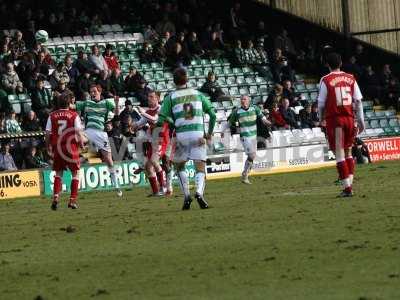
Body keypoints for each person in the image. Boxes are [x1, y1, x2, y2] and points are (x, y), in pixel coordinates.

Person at [157, 68, 216, 210]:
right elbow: (213, 115)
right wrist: (209, 133)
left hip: (182, 135)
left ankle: (187, 196)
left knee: (180, 166)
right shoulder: (198, 94)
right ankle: (199, 193)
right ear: (187, 79)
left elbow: (160, 120)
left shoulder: (170, 97)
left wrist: (174, 122)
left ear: (174, 81)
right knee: (200, 167)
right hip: (198, 134)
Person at [318, 52, 365, 197]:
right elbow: (358, 101)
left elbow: (320, 103)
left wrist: (321, 118)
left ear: (327, 64)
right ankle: (349, 184)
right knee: (348, 152)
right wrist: (361, 121)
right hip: (350, 119)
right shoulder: (351, 78)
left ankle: (347, 189)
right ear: (341, 63)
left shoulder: (325, 79)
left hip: (335, 120)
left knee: (339, 153)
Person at [75, 84, 122, 197]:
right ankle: (74, 180)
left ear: (100, 92)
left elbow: (116, 113)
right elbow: (73, 106)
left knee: (108, 159)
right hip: (89, 131)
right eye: (91, 92)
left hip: (101, 133)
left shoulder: (106, 103)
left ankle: (116, 185)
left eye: (95, 91)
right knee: (76, 142)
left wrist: (116, 103)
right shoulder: (86, 103)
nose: (93, 93)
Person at [45, 92, 86, 210]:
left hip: (57, 147)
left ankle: (56, 198)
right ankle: (72, 200)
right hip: (70, 146)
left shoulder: (51, 115)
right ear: (69, 103)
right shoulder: (74, 115)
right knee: (75, 173)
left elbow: (47, 133)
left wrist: (48, 146)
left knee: (58, 173)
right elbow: (78, 132)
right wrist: (82, 144)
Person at [134, 91, 170, 196]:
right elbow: (140, 122)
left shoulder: (161, 109)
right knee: (148, 166)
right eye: (148, 96)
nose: (149, 98)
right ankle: (156, 191)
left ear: (157, 98)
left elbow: (154, 120)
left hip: (162, 140)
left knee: (154, 161)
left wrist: (142, 112)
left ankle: (163, 188)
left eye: (151, 97)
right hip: (152, 141)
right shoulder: (149, 111)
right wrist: (133, 125)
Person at [228, 95, 271, 184]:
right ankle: (245, 175)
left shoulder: (255, 108)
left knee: (253, 156)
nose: (242, 101)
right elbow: (229, 123)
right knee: (252, 155)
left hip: (253, 136)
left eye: (244, 99)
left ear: (249, 101)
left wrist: (268, 122)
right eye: (241, 99)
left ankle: (245, 175)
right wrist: (222, 131)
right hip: (245, 136)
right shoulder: (237, 112)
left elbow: (263, 119)